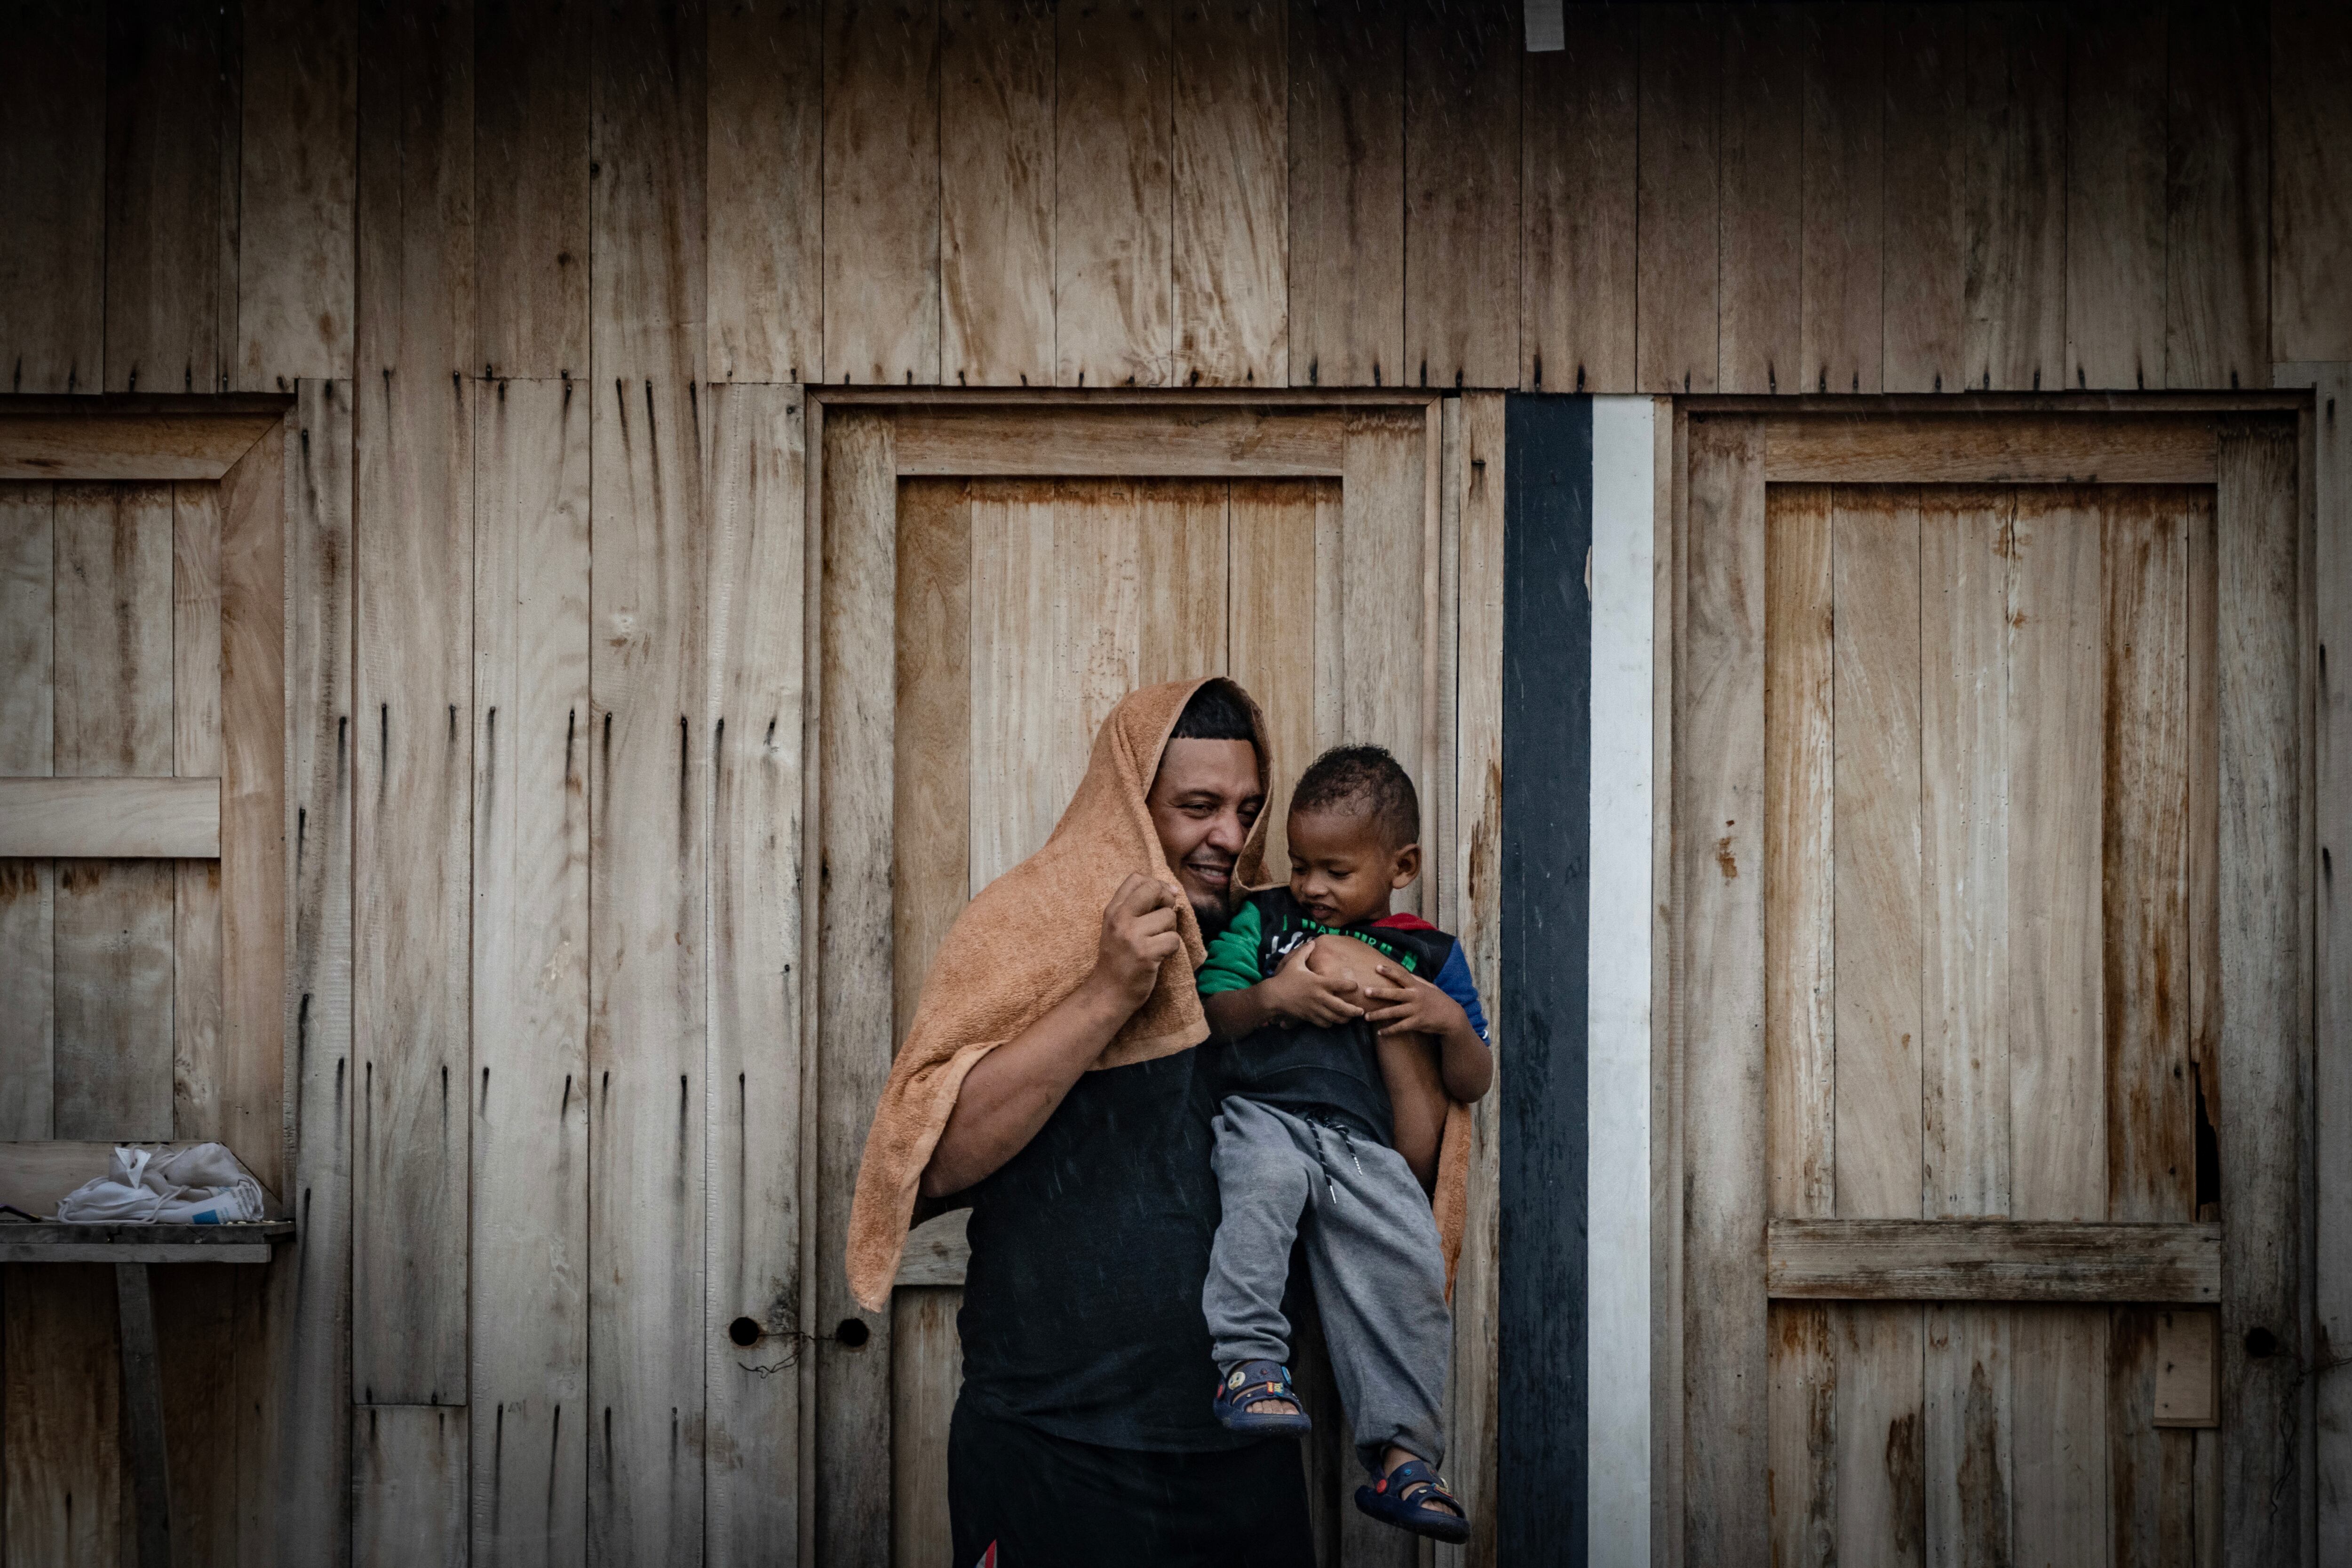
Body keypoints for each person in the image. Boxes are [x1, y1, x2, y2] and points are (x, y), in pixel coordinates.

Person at [844, 677, 1316, 1568]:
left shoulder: (1267, 946)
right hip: (1048, 1448)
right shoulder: (1027, 926)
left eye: (1249, 809)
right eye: (1198, 807)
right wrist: (1106, 991)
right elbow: (929, 1163)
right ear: (1128, 808)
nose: (1231, 836)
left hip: (1240, 1449)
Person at [1192, 744, 1493, 1543]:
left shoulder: (1431, 956)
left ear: (1402, 864)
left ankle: (1404, 1456)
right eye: (1300, 865)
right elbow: (1214, 1014)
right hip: (1266, 1112)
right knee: (1257, 1193)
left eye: (1335, 869)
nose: (1312, 887)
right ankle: (1249, 1366)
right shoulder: (1265, 918)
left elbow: (1473, 1079)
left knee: (1411, 1261)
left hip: (1363, 1145)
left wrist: (1448, 1021)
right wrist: (1275, 994)